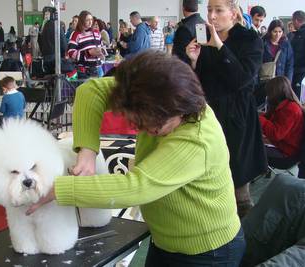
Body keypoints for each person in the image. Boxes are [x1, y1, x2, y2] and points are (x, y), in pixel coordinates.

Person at [26, 51, 244, 266]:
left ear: (178, 109)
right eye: (138, 123)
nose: (146, 130)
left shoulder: (196, 140)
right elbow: (90, 91)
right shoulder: (147, 93)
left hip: (208, 252)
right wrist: (87, 150)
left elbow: (137, 187)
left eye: (154, 125)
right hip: (166, 241)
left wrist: (59, 189)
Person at [186, 0, 267, 217]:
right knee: (210, 179)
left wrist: (220, 47)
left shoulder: (250, 39)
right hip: (209, 115)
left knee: (237, 184)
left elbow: (241, 80)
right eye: (209, 10)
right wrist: (193, 62)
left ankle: (245, 238)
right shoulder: (206, 40)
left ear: (233, 14)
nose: (211, 16)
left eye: (218, 10)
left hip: (236, 117)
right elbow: (199, 83)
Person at [259, 76, 304, 169]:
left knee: (249, 149)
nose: (268, 96)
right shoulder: (284, 105)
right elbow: (268, 117)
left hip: (287, 154)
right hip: (282, 147)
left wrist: (259, 119)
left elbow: (276, 134)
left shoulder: (291, 109)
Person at [67, 10, 106, 78]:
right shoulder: (76, 34)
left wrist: (102, 52)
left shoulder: (97, 33)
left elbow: (101, 46)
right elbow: (71, 52)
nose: (90, 22)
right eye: (87, 20)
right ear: (82, 21)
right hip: (84, 71)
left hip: (98, 68)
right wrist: (88, 53)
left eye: (91, 19)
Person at [290, 10, 305, 98]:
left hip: (299, 72)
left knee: (297, 97)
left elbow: (297, 54)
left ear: (295, 20)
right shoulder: (298, 34)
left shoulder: (301, 35)